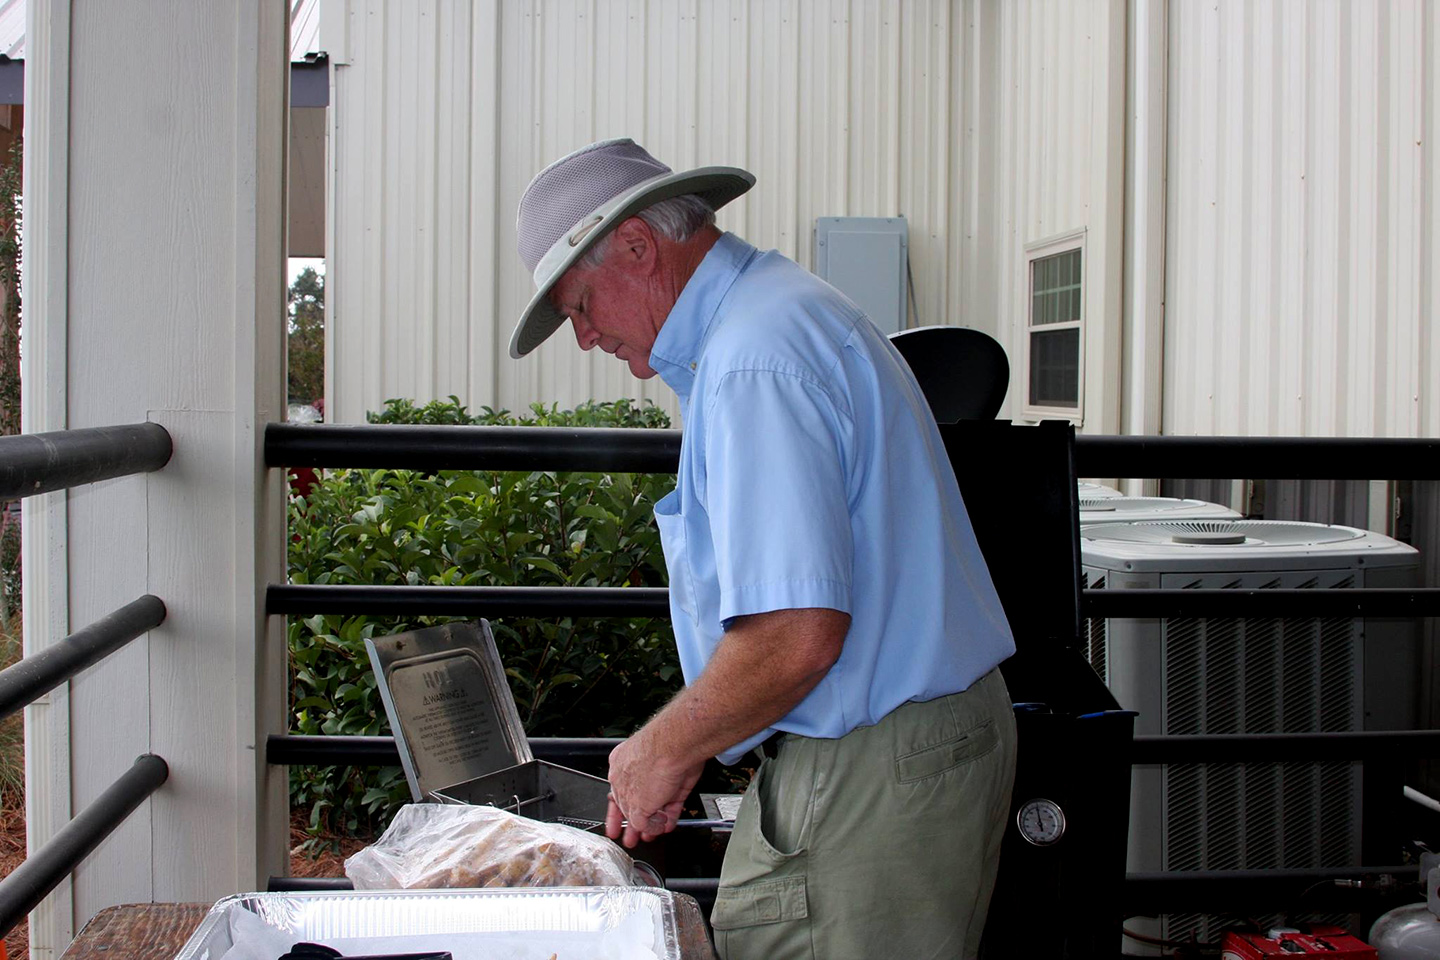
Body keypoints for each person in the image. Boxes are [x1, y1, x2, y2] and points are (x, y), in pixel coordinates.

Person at [510, 138, 1017, 959]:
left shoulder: (754, 360)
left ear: (638, 247)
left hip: (870, 762)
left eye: (578, 304)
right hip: (908, 749)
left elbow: (795, 635)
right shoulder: (779, 313)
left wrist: (660, 750)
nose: (584, 336)